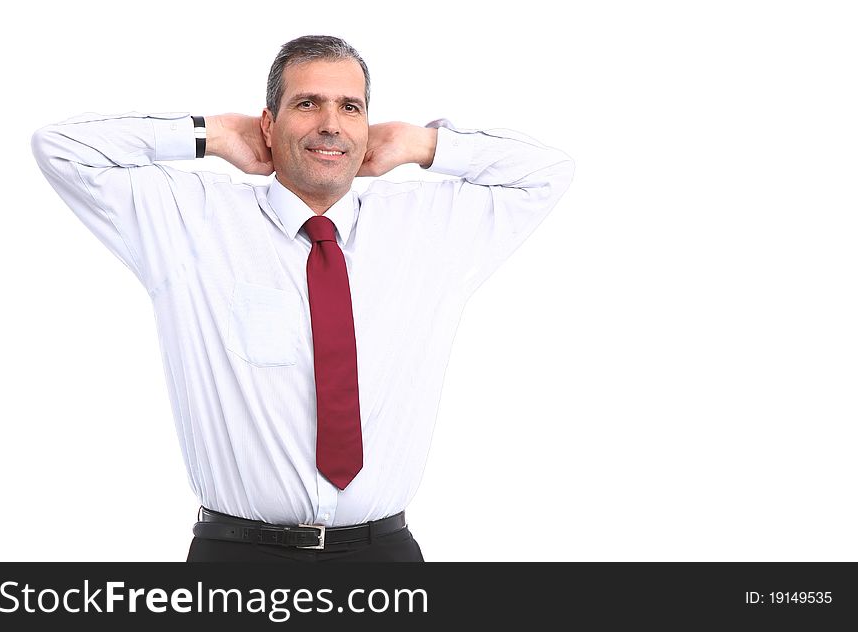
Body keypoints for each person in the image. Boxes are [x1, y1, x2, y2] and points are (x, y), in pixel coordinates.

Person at [31, 35, 575, 562]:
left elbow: (547, 174)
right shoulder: (189, 222)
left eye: (350, 107)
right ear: (269, 123)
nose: (330, 124)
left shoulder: (428, 231)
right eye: (307, 103)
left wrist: (421, 144)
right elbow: (61, 148)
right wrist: (215, 135)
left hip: (382, 559)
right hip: (238, 562)